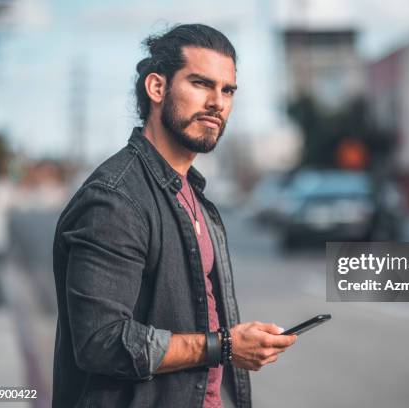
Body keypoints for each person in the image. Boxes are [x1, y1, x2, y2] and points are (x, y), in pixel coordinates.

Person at [52, 24, 297, 408]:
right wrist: (227, 345)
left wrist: (231, 345)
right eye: (201, 84)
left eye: (227, 90)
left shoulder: (192, 194)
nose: (217, 102)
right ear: (157, 88)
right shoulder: (115, 199)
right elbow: (100, 341)